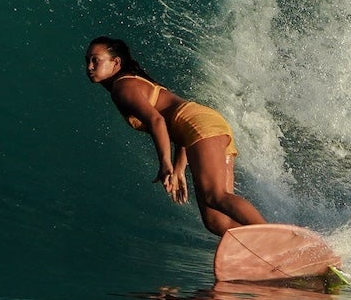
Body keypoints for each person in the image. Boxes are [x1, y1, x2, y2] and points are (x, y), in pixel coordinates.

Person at [85, 36, 266, 237]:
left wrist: (165, 164)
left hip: (199, 125)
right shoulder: (131, 83)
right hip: (201, 124)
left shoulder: (122, 87)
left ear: (115, 62)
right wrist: (179, 168)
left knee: (216, 196)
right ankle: (262, 248)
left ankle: (271, 239)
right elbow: (176, 126)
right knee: (215, 220)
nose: (89, 66)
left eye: (96, 60)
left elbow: (158, 121)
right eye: (87, 60)